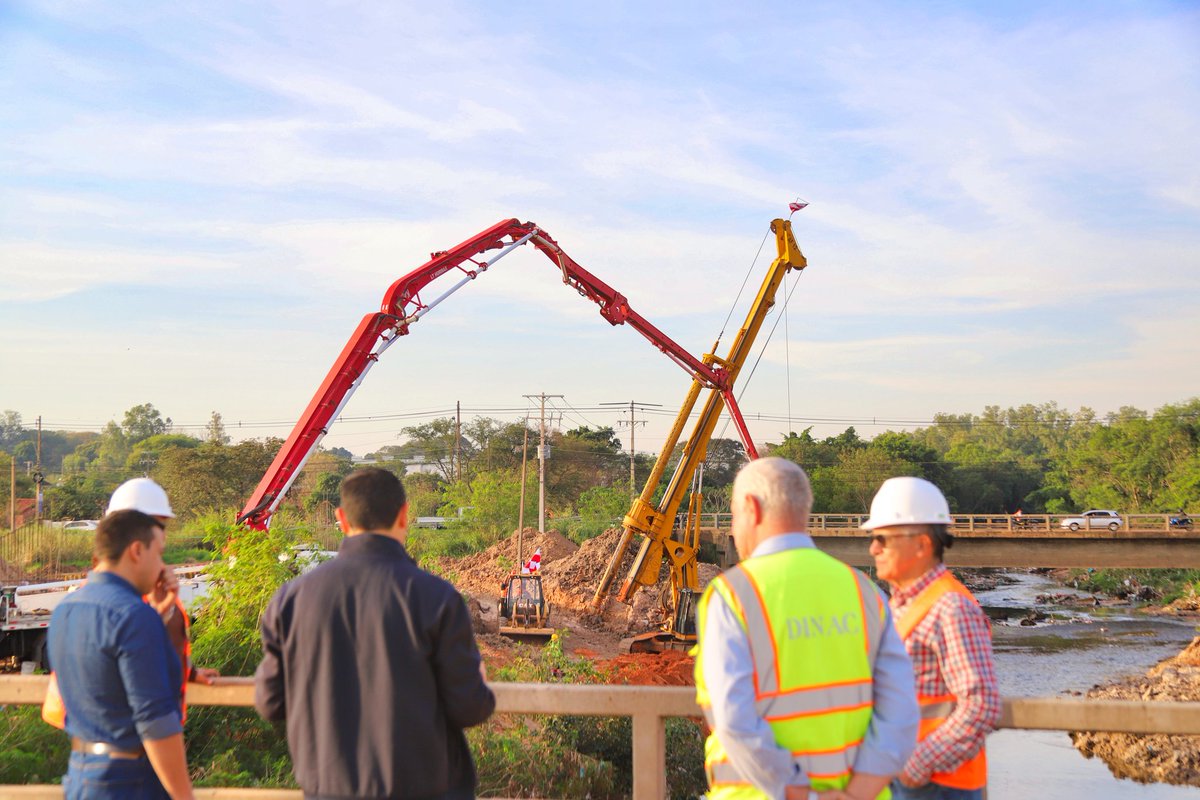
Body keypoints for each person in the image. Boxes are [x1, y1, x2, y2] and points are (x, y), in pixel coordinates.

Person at [255, 467, 495, 799]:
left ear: (341, 519)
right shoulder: (437, 598)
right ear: (404, 515)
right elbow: (470, 709)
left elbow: (270, 702)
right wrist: (477, 680)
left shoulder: (290, 600)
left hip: (328, 789)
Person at [695, 458, 919, 800]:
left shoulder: (732, 595)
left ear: (751, 508)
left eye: (734, 515)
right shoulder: (864, 591)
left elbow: (734, 720)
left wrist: (803, 795)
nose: (733, 529)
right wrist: (857, 794)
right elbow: (901, 713)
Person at [865, 477, 1001, 800]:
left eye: (882, 538)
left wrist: (915, 766)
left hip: (937, 785)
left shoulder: (951, 608)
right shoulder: (902, 605)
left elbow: (982, 706)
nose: (873, 548)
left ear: (922, 544)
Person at [43, 478, 218, 729]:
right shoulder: (111, 603)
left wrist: (188, 672)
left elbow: (148, 656)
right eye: (159, 525)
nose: (163, 536)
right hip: (125, 741)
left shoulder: (136, 590)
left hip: (106, 744)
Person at [47, 510, 194, 800]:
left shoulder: (66, 608)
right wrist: (184, 796)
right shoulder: (133, 616)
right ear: (137, 551)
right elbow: (155, 721)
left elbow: (105, 677)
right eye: (160, 553)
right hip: (130, 782)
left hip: (80, 775)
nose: (163, 566)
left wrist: (157, 614)